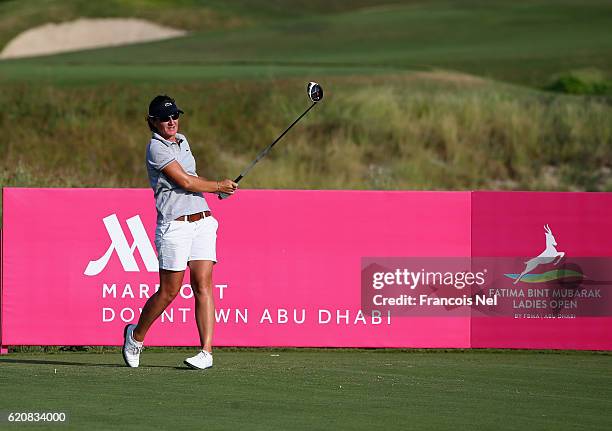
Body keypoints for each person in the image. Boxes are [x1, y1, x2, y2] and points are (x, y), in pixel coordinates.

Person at [122, 95, 237, 369]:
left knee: (203, 284)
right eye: (164, 118)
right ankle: (135, 337)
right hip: (174, 225)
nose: (171, 121)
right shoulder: (155, 149)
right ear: (152, 122)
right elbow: (184, 180)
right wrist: (218, 186)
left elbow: (193, 178)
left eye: (174, 115)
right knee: (169, 291)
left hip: (203, 221)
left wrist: (214, 190)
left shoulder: (183, 140)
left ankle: (206, 352)